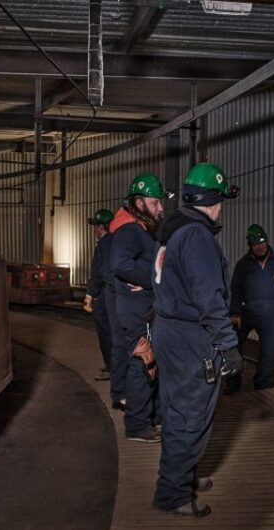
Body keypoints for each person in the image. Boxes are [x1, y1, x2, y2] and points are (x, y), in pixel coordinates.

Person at [151, 162, 242, 518]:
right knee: (191, 415)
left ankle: (180, 475)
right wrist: (228, 347)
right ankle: (173, 492)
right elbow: (209, 299)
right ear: (214, 200)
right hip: (190, 337)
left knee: (175, 410)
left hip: (168, 331)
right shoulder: (198, 237)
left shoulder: (172, 232)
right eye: (221, 201)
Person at [109, 173, 166, 443]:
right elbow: (119, 264)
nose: (161, 208)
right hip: (136, 312)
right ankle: (137, 425)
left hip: (144, 309)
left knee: (148, 364)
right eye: (156, 203)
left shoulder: (142, 228)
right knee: (142, 365)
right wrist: (151, 278)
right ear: (140, 202)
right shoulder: (130, 230)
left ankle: (151, 416)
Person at [225, 224, 274, 394]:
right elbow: (236, 290)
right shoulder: (243, 265)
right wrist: (235, 313)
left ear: (267, 242)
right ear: (250, 245)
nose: (260, 247)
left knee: (269, 352)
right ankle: (233, 382)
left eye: (262, 242)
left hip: (272, 314)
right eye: (256, 244)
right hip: (249, 311)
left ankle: (262, 388)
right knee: (234, 341)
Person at [85, 208, 115, 382]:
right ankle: (116, 365)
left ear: (103, 226)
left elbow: (97, 273)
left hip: (107, 292)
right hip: (118, 292)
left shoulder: (103, 245)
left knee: (105, 330)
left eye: (96, 226)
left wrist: (90, 295)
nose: (95, 230)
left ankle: (111, 368)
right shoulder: (117, 241)